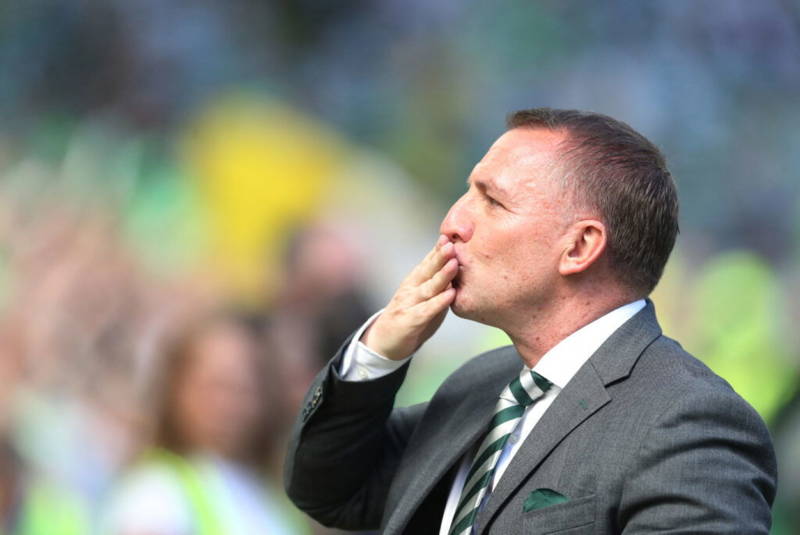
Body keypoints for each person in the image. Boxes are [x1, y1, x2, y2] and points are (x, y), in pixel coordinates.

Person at [284, 108, 778, 534]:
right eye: (467, 192)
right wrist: (378, 353)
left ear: (579, 247)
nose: (453, 222)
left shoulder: (689, 421)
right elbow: (328, 490)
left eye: (492, 201)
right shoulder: (479, 384)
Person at [103, 312, 307, 535]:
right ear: (176, 389)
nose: (228, 404)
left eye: (243, 388)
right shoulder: (155, 494)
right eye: (215, 386)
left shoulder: (270, 494)